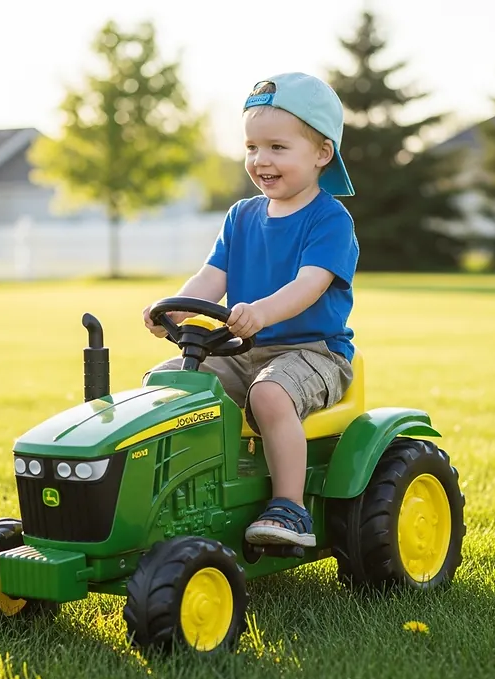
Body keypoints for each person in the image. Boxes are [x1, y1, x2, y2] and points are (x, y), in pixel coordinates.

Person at [142, 72, 359, 548]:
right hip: (243, 348)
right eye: (251, 147)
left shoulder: (329, 219)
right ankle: (176, 496)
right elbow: (210, 277)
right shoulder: (241, 216)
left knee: (270, 396)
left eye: (278, 147)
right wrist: (172, 311)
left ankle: (290, 508)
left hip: (314, 353)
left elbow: (309, 285)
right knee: (167, 385)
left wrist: (260, 312)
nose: (261, 160)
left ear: (322, 153)